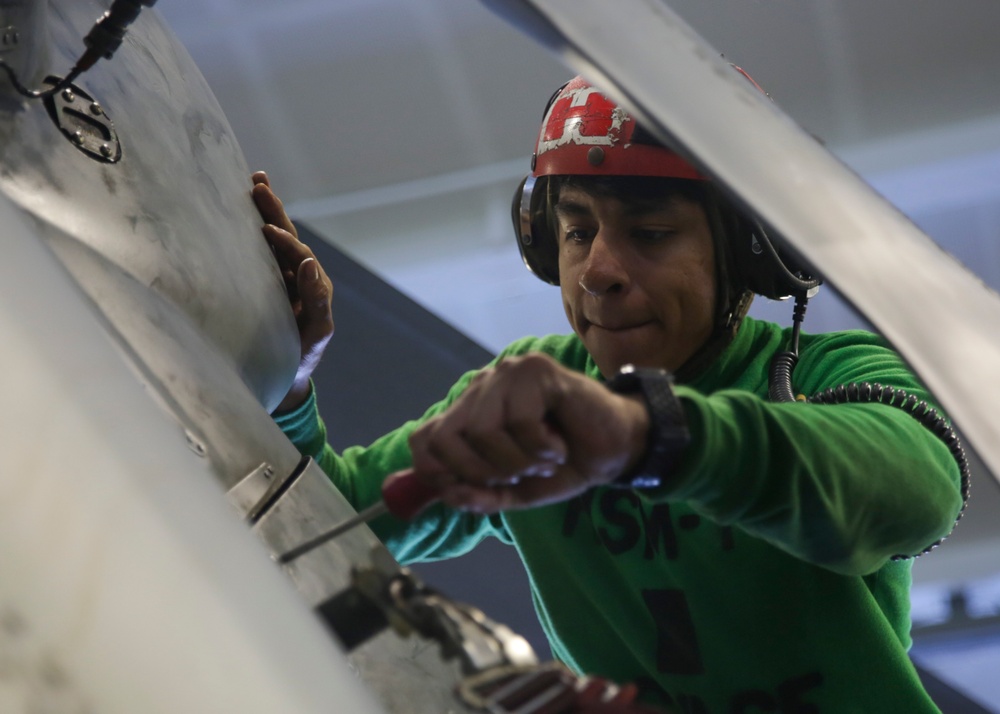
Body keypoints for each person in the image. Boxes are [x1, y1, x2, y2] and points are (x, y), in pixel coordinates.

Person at [251, 75, 964, 713]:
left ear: (748, 252)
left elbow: (919, 495)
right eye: (575, 231)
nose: (597, 271)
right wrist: (290, 376)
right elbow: (332, 531)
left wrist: (644, 434)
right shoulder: (526, 393)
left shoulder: (821, 374)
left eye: (650, 234)